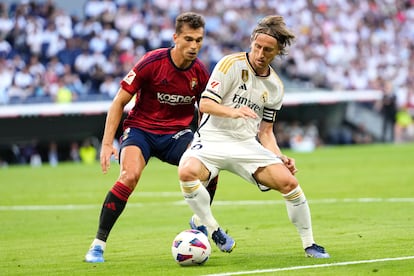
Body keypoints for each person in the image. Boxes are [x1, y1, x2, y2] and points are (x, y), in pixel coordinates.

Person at [178, 15, 330, 258]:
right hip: (212, 138)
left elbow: (266, 132)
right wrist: (233, 111)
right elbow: (205, 104)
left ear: (278, 51)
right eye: (257, 46)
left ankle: (310, 243)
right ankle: (212, 227)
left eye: (267, 50)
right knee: (186, 172)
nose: (260, 53)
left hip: (246, 145)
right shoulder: (230, 64)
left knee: (289, 183)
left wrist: (279, 156)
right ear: (252, 43)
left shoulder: (275, 87)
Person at [85, 12, 218, 263]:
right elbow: (119, 102)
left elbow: (206, 109)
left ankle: (200, 221)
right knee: (129, 176)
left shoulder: (200, 73)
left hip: (177, 134)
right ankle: (98, 245)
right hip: (141, 131)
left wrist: (204, 140)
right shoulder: (152, 62)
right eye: (188, 39)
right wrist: (106, 143)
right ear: (175, 37)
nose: (194, 46)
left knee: (210, 168)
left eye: (199, 40)